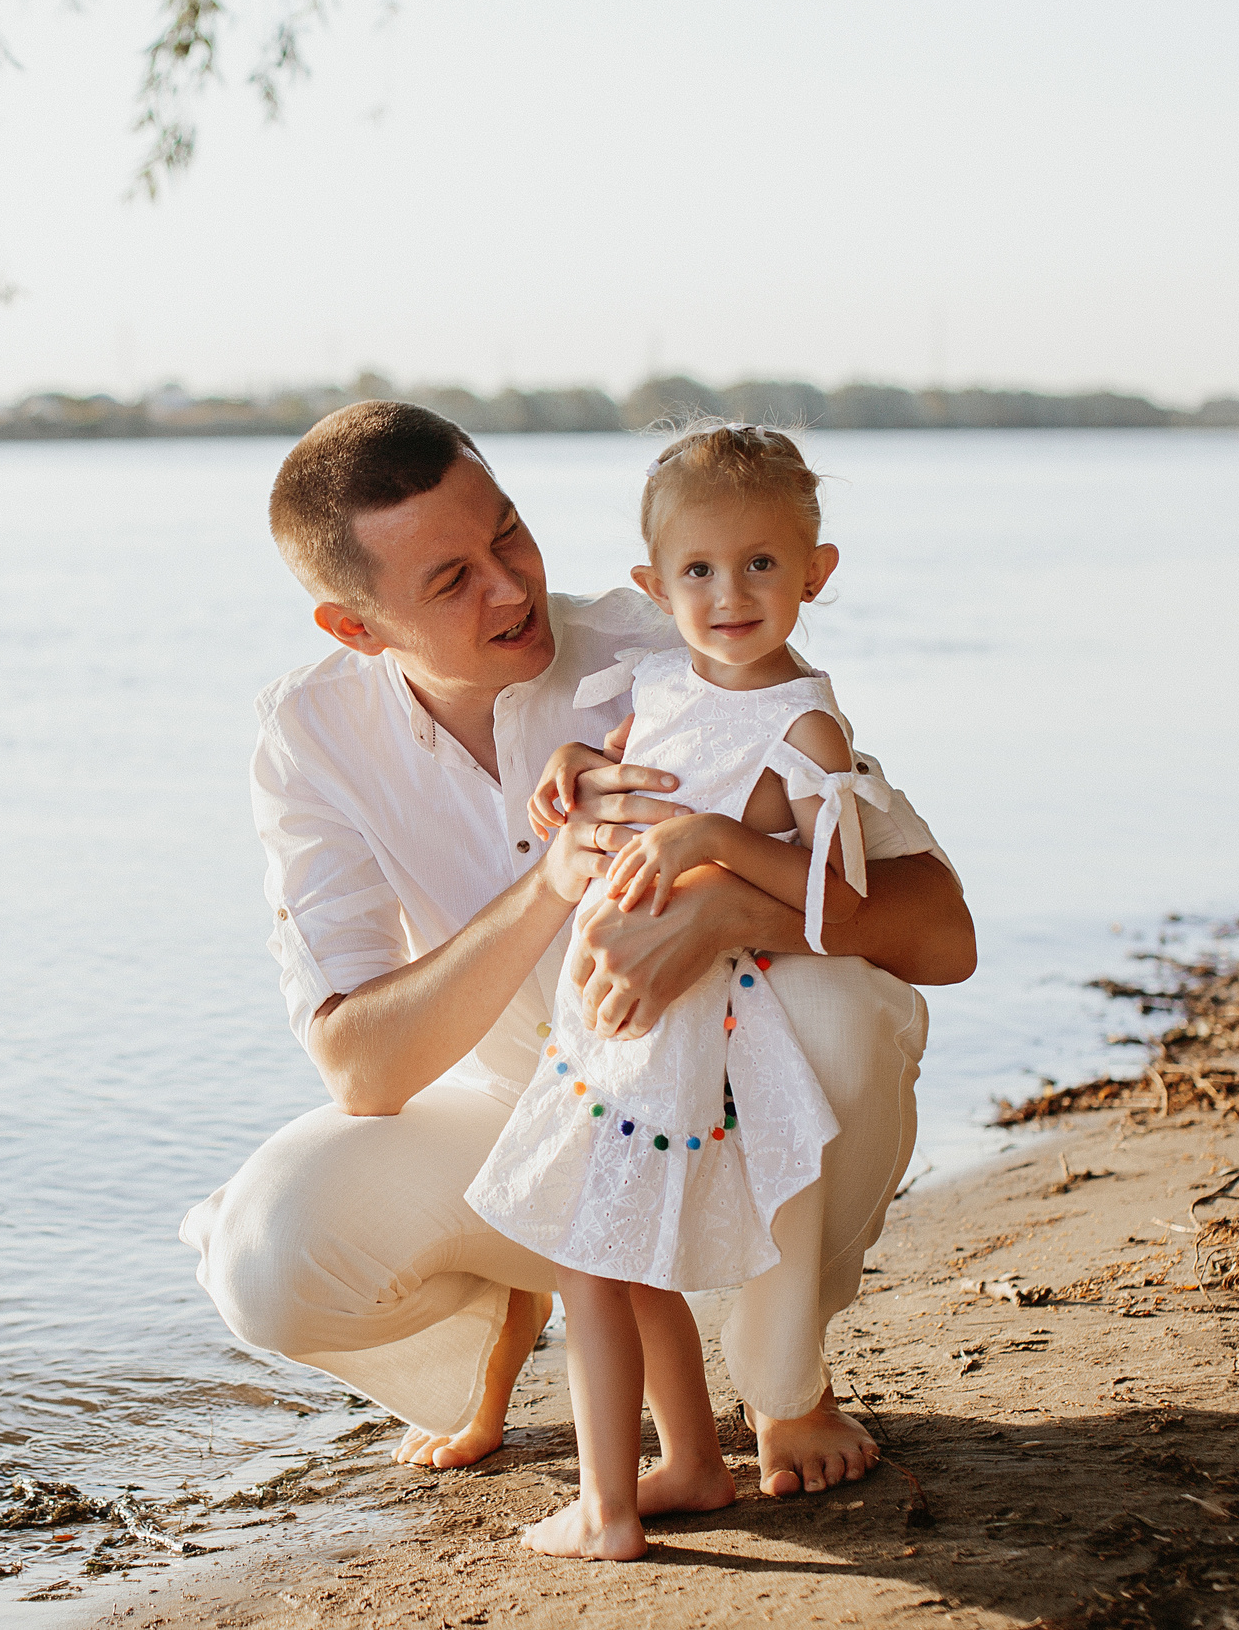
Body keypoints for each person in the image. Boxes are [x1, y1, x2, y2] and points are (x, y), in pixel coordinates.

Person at [179, 401, 974, 1499]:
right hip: (522, 1117)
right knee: (266, 1256)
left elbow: (935, 928)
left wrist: (731, 907)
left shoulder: (681, 636)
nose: (508, 585)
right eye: (449, 580)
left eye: (506, 532)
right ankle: (504, 1317)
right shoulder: (308, 734)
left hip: (715, 1106)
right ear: (356, 630)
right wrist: (553, 880)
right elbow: (360, 1066)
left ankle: (783, 1373)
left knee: (846, 1009)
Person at [468, 422, 912, 1559]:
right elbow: (630, 764)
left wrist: (716, 837)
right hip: (606, 1019)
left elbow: (836, 893)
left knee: (590, 1257)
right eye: (699, 571)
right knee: (625, 1257)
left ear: (816, 573)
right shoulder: (661, 679)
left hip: (678, 1029)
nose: (730, 593)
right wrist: (579, 770)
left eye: (762, 563)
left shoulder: (803, 722)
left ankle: (606, 1508)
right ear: (651, 586)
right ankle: (691, 1463)